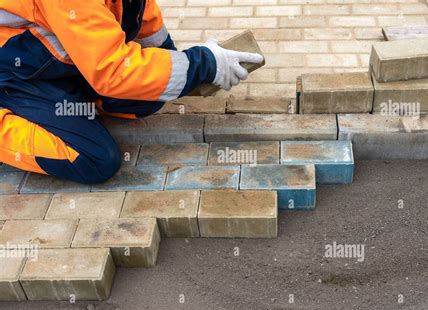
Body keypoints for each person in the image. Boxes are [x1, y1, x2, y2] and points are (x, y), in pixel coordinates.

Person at [0, 0, 263, 184]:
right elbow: (112, 70)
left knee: (149, 96)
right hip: (13, 74)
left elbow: (145, 23)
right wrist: (203, 64)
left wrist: (189, 69)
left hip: (58, 65)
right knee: (96, 159)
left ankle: (73, 106)